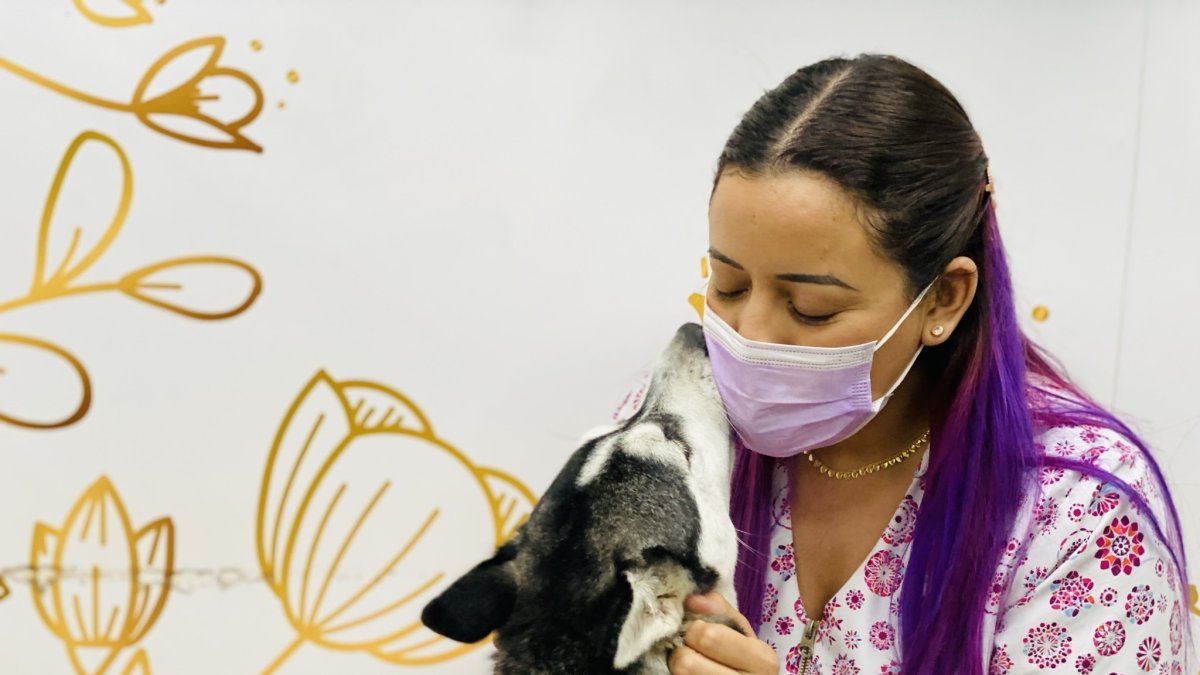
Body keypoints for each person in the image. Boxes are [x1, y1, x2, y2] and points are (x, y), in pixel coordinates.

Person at [610, 54, 1192, 674]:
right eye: (726, 286)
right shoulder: (671, 438)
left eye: (811, 308)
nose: (748, 336)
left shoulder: (1075, 512)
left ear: (943, 298)